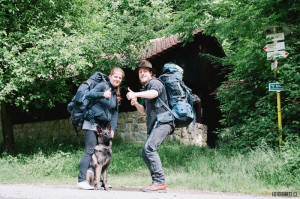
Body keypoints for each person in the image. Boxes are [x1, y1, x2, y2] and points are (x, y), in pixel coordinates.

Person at [126, 60, 174, 192]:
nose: (142, 74)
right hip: (156, 124)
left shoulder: (155, 83)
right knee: (145, 152)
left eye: (145, 71)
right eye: (140, 72)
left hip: (164, 122)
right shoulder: (146, 89)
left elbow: (155, 93)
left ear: (151, 73)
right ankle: (156, 182)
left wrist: (135, 94)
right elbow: (144, 111)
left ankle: (160, 182)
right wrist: (136, 103)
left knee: (150, 149)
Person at [77, 67, 125, 190]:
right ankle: (81, 180)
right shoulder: (103, 85)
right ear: (110, 76)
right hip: (91, 122)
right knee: (90, 150)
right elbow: (89, 95)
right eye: (115, 76)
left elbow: (114, 113)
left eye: (120, 77)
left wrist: (112, 129)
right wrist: (102, 94)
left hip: (103, 127)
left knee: (102, 155)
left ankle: (99, 181)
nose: (117, 79)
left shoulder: (116, 93)